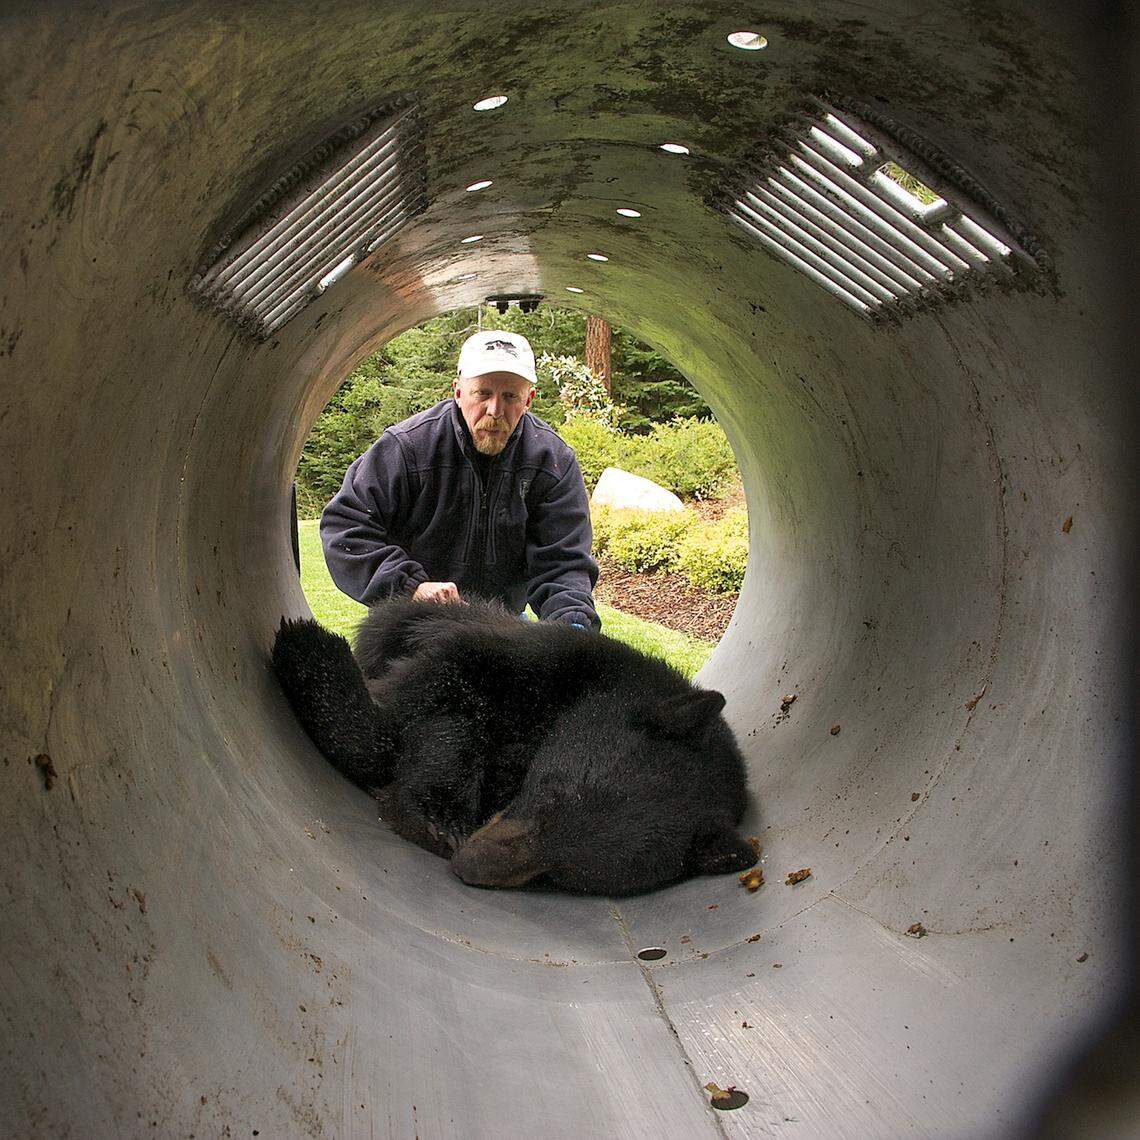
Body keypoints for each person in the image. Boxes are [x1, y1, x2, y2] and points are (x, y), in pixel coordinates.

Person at [320, 329, 600, 630]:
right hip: (415, 621)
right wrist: (411, 586)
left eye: (510, 396)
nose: (495, 411)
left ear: (528, 399)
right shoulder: (408, 448)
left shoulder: (552, 461)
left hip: (502, 626)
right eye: (483, 393)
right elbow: (347, 527)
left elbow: (564, 563)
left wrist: (572, 629)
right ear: (458, 391)